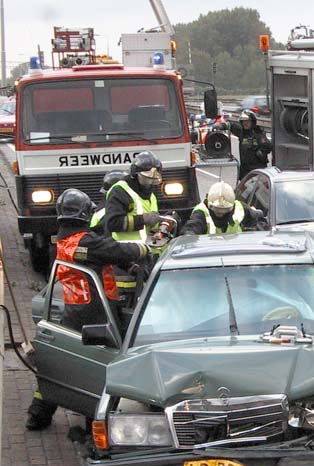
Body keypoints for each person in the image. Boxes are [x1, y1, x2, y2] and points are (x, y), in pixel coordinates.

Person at [26, 188, 151, 431]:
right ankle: (93, 423)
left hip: (74, 309)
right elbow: (115, 250)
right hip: (98, 314)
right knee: (102, 367)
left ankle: (37, 415)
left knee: (60, 366)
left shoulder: (63, 241)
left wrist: (129, 265)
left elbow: (102, 256)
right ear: (85, 213)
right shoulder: (86, 242)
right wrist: (143, 249)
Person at [104, 151, 163, 243]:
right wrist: (144, 219)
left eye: (152, 179)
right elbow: (112, 223)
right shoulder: (120, 191)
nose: (149, 183)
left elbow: (151, 224)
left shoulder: (150, 195)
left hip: (148, 249)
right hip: (125, 250)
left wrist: (161, 227)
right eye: (146, 179)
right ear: (135, 175)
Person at [181, 181, 266, 235]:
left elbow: (257, 220)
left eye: (225, 210)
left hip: (236, 253)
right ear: (208, 204)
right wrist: (189, 234)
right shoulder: (201, 212)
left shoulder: (240, 208)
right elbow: (192, 227)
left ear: (232, 206)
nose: (221, 214)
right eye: (217, 210)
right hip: (209, 254)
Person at [229, 109, 272, 180]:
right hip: (245, 172)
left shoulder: (258, 134)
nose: (245, 123)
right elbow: (231, 126)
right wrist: (222, 125)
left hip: (257, 172)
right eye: (243, 121)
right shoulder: (241, 133)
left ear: (252, 122)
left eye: (247, 121)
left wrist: (260, 152)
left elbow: (268, 146)